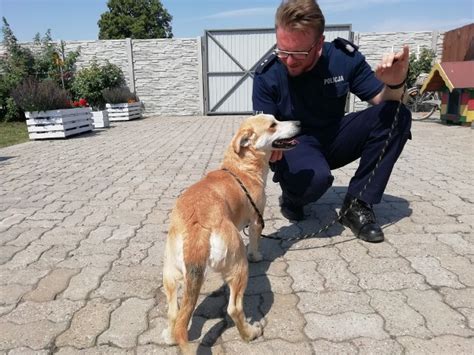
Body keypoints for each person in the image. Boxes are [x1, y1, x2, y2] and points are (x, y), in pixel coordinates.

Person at [252, 0, 412, 243]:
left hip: (336, 136)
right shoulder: (267, 75)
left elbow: (383, 99)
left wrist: (395, 83)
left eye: (299, 54)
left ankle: (357, 204)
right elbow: (265, 133)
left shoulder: (343, 58)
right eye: (282, 50)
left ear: (319, 44)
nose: (289, 60)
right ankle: (293, 198)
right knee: (316, 181)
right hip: (297, 145)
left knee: (398, 115)